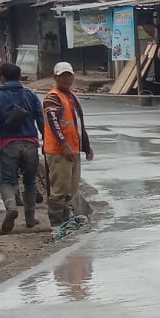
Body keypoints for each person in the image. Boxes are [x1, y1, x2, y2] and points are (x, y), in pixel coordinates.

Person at [0, 61, 43, 234]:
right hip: (30, 144)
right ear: (20, 76)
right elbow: (41, 119)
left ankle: (11, 207)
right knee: (30, 181)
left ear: (2, 78)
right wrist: (46, 140)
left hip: (9, 144)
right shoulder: (31, 94)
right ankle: (30, 219)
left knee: (8, 181)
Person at [43, 62, 93, 226]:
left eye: (69, 75)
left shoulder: (71, 96)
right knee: (60, 189)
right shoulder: (53, 97)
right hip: (59, 151)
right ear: (55, 77)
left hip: (73, 150)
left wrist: (86, 146)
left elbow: (78, 123)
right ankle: (57, 223)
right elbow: (53, 122)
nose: (66, 78)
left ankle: (65, 220)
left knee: (70, 189)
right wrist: (64, 145)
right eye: (62, 75)